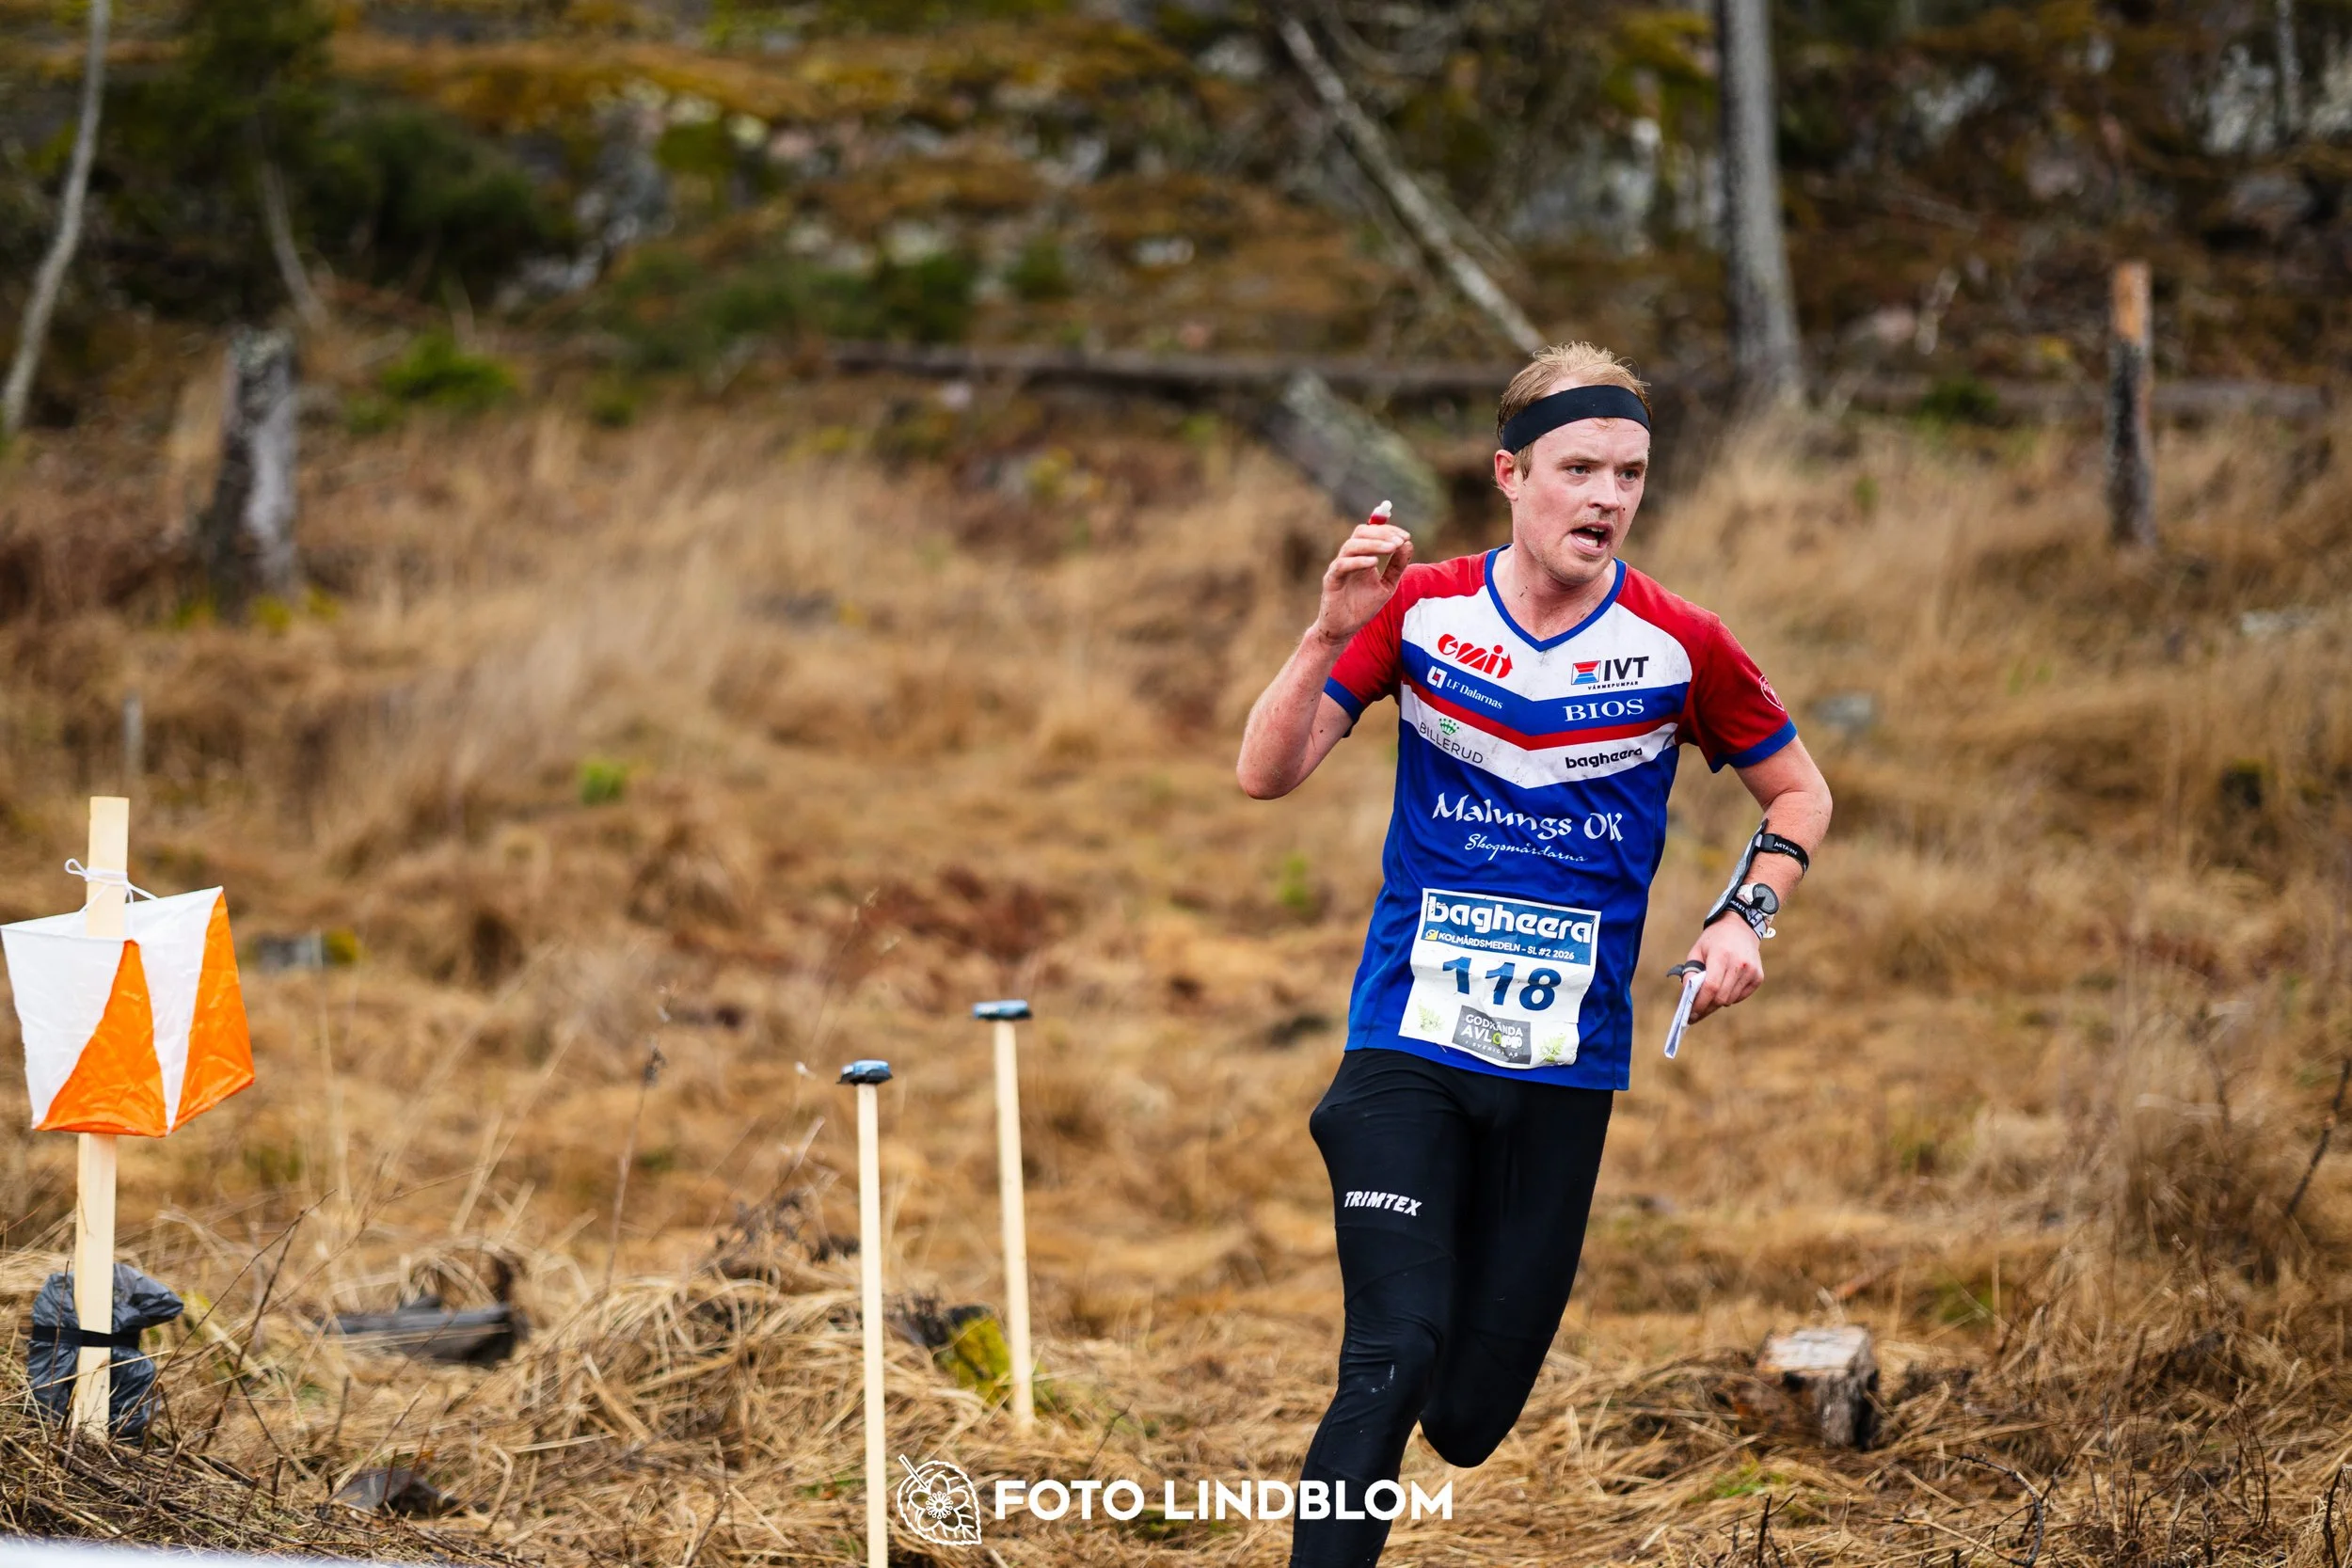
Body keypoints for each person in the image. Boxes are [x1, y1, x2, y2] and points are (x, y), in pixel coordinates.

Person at [1235, 342, 1833, 1567]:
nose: (1607, 497)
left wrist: (1744, 917)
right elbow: (1267, 772)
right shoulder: (1424, 610)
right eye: (1578, 468)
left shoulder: (1681, 645)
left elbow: (1802, 795)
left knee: (1463, 1417)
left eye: (1630, 471)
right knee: (1391, 1351)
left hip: (1564, 1070)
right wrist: (1321, 636)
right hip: (1406, 1041)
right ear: (1511, 474)